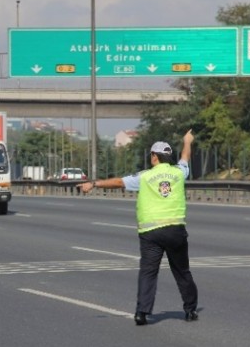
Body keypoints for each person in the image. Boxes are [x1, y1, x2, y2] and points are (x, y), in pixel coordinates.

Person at [78, 129, 198, 326]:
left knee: (148, 272)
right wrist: (187, 141)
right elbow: (185, 157)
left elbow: (118, 182)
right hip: (175, 230)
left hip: (151, 233)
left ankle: (142, 313)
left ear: (154, 157)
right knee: (182, 271)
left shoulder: (144, 177)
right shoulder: (179, 172)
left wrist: (94, 183)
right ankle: (190, 310)